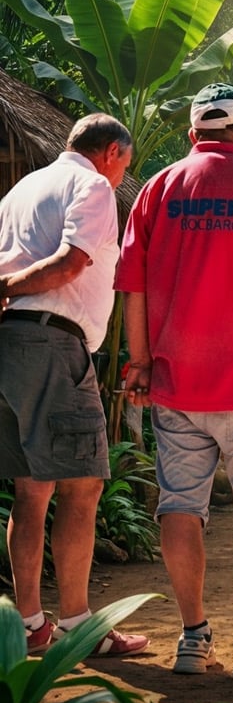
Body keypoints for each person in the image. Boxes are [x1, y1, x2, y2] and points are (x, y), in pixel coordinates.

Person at [116, 83, 233, 678]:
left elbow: (134, 287)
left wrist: (142, 362)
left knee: (180, 507)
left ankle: (192, 639)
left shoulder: (158, 189)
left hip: (177, 387)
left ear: (193, 133)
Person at [0, 113, 148, 656]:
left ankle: (33, 622)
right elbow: (71, 262)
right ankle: (79, 627)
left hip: (11, 346)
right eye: (123, 167)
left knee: (29, 489)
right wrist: (8, 286)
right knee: (83, 485)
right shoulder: (90, 185)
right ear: (111, 152)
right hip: (52, 344)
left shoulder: (21, 188)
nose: (118, 179)